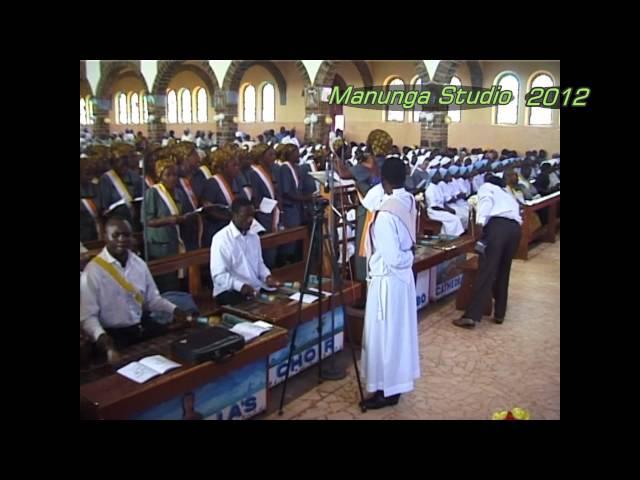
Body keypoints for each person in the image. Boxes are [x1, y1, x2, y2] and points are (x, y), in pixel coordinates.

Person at [360, 156, 420, 410]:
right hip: (402, 282)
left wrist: (409, 256)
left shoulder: (385, 215)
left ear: (383, 180)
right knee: (397, 335)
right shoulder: (408, 199)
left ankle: (385, 389)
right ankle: (394, 386)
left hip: (387, 282)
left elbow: (394, 257)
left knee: (383, 337)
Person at [80, 218, 190, 356]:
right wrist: (103, 339)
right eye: (115, 235)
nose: (122, 239)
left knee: (177, 345)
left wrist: (175, 310)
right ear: (104, 236)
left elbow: (152, 300)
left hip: (140, 326)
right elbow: (88, 317)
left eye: (126, 235)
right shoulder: (92, 272)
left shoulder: (139, 264)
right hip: (112, 335)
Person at [453, 175, 522, 328]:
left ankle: (471, 316)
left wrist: (479, 227)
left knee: (487, 271)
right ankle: (499, 313)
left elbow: (485, 204)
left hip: (498, 228)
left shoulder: (487, 187)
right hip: (515, 230)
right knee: (504, 271)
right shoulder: (507, 194)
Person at [210, 198, 280, 305]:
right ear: (234, 215)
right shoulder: (221, 239)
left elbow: (259, 263)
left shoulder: (254, 236)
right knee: (255, 308)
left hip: (252, 286)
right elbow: (219, 276)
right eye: (245, 216)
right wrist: (240, 286)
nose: (250, 220)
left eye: (252, 216)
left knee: (280, 300)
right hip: (230, 290)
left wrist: (267, 276)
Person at [277, 144, 313, 261]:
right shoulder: (285, 168)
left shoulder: (297, 167)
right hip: (290, 208)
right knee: (291, 238)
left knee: (299, 237)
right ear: (289, 154)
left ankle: (297, 260)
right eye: (296, 153)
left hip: (298, 208)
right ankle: (286, 260)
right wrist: (305, 198)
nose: (298, 155)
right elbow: (287, 192)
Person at [248, 144, 280, 268]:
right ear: (261, 158)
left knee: (273, 245)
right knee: (265, 249)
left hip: (272, 212)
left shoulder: (272, 171)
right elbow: (255, 196)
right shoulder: (255, 173)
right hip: (262, 215)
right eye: (270, 154)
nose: (274, 157)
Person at [425, 168, 464, 237]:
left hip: (441, 209)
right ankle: (450, 237)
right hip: (434, 212)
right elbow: (434, 206)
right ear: (433, 176)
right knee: (455, 219)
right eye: (438, 174)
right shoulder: (430, 189)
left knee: (458, 216)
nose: (440, 175)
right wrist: (446, 210)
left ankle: (450, 235)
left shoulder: (437, 186)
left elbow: (443, 202)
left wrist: (448, 208)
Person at [80, 155, 102, 242]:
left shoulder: (96, 188)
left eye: (92, 172)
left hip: (96, 233)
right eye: (87, 173)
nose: (90, 176)